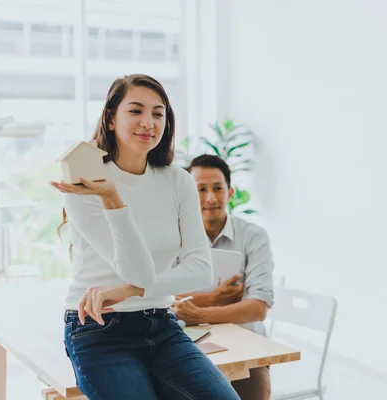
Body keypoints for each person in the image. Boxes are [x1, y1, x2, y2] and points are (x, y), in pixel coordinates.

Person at [50, 75, 240, 400]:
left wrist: (130, 290)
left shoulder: (178, 181)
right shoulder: (86, 185)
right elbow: (136, 271)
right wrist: (111, 198)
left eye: (158, 113)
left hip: (162, 324)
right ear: (110, 119)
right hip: (99, 328)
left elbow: (199, 270)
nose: (148, 123)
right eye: (135, 111)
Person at [171, 154, 275, 400]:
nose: (210, 198)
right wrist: (216, 297)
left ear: (230, 193)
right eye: (201, 189)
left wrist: (199, 312)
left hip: (246, 345)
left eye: (218, 188)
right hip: (188, 343)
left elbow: (257, 308)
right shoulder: (174, 236)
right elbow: (164, 298)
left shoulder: (254, 236)